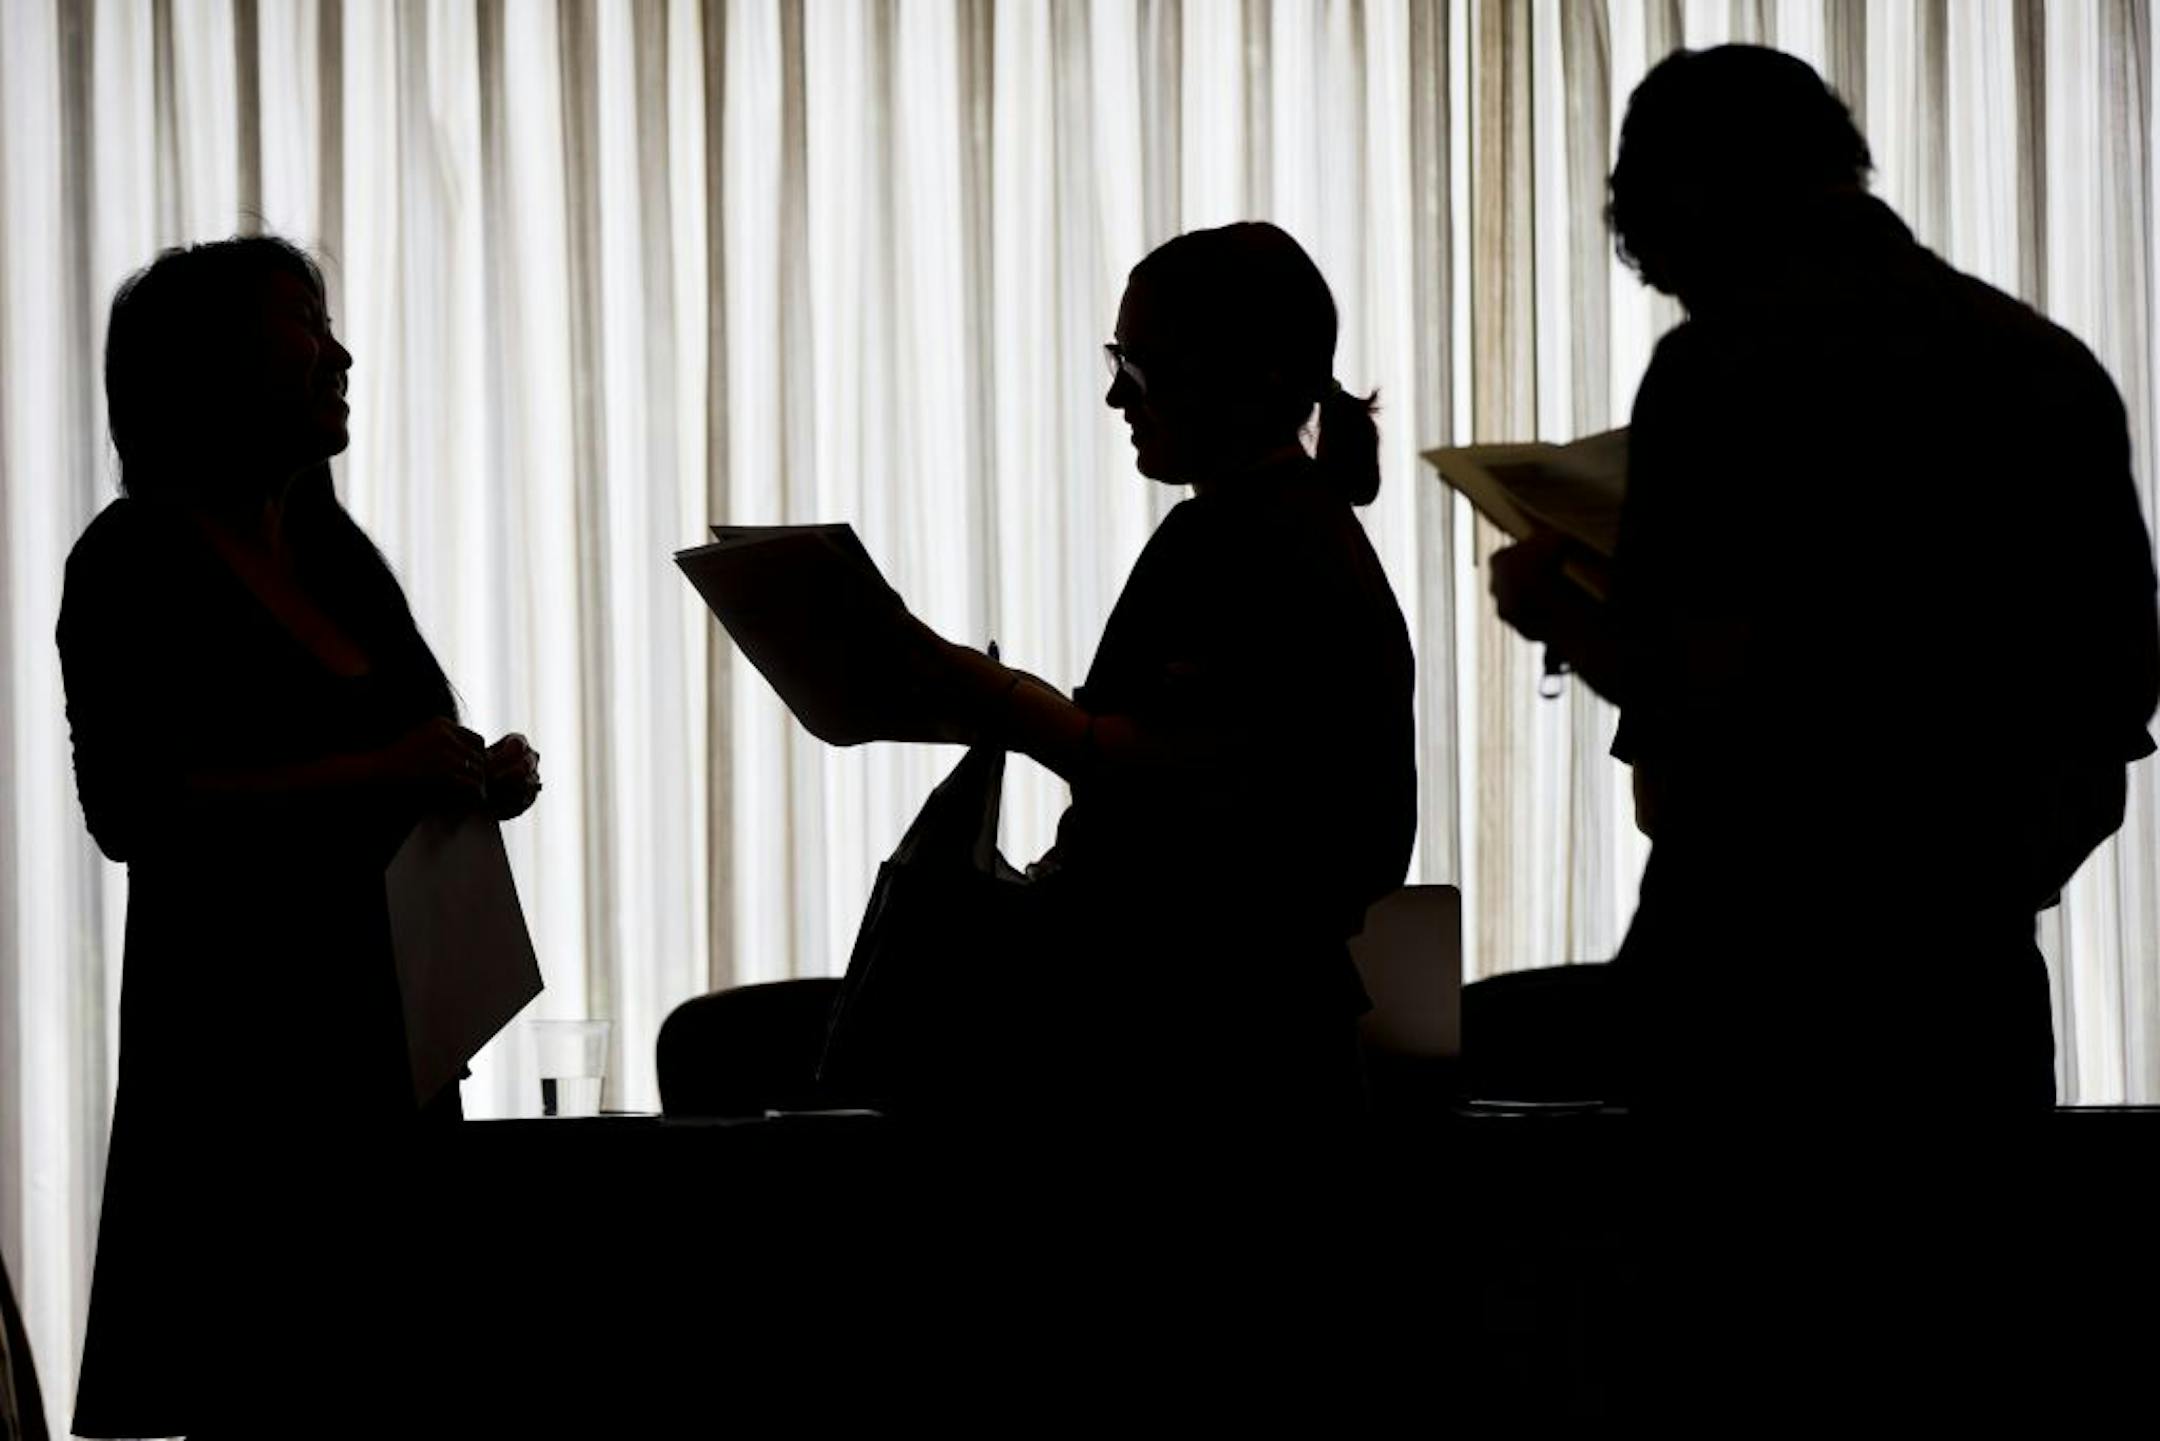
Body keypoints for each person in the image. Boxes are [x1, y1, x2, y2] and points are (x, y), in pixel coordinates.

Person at [1491, 46, 2160, 1109]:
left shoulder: (1719, 373)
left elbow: (1696, 690)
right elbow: (2111, 703)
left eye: (1668, 261)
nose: (1674, 292)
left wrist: (1548, 610)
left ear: (1691, 200)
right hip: (1970, 1000)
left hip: (1751, 991)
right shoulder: (2046, 365)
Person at [59, 236, 542, 1436]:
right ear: (209, 364)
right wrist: (379, 770)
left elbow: (406, 759)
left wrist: (473, 779)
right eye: (303, 323)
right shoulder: (130, 560)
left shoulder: (338, 559)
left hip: (389, 1062)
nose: (341, 353)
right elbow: (132, 810)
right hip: (241, 1082)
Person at [885, 221, 1417, 1120]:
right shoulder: (1288, 528)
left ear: (1254, 374)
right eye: (1117, 360)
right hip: (1253, 1024)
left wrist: (985, 692)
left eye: (1140, 366)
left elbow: (1186, 782)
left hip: (1211, 1042)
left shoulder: (1248, 541)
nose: (1115, 395)